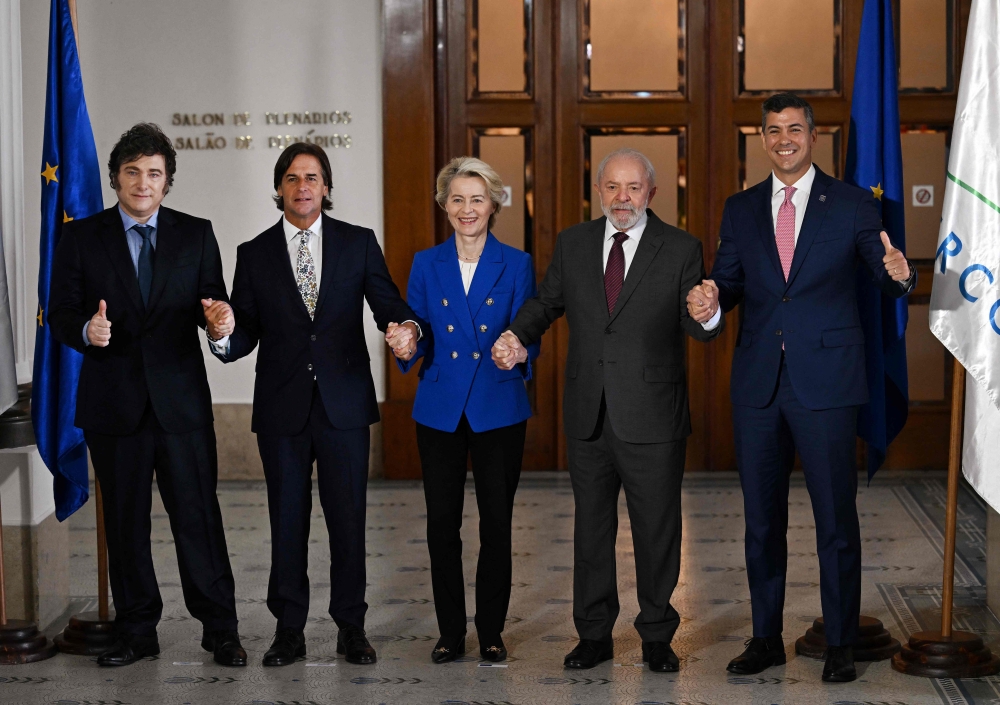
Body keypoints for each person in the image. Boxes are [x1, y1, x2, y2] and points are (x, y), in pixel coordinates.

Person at [690, 92, 915, 683]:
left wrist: (902, 275)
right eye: (772, 130)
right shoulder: (739, 209)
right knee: (761, 521)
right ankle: (766, 638)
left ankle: (839, 642)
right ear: (761, 139)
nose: (783, 139)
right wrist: (712, 303)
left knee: (835, 518)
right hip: (759, 385)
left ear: (814, 137)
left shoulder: (851, 204)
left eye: (794, 129)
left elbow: (883, 269)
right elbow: (729, 282)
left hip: (829, 384)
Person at [491, 148, 724, 672]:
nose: (623, 198)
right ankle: (593, 634)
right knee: (591, 529)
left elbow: (698, 322)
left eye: (634, 188)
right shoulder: (574, 244)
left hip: (654, 416)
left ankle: (658, 636)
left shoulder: (681, 247)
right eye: (613, 188)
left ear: (652, 193)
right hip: (588, 413)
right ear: (600, 191)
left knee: (657, 528)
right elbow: (546, 303)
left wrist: (707, 314)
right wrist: (516, 334)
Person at [208, 142, 420, 667]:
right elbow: (244, 332)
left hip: (344, 404)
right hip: (282, 410)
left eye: (313, 177)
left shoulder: (358, 243)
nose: (303, 186)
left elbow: (389, 306)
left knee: (348, 519)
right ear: (279, 187)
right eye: (293, 177)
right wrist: (222, 335)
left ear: (326, 188)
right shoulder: (253, 253)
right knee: (287, 520)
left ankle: (352, 627)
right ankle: (289, 631)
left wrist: (406, 330)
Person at [47, 123, 245, 667]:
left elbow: (216, 308)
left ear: (167, 182)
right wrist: (87, 331)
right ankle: (138, 631)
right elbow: (60, 313)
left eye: (154, 173)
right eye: (132, 171)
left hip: (180, 405)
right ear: (116, 178)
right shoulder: (81, 237)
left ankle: (220, 629)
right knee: (126, 525)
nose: (142, 182)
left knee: (198, 518)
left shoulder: (196, 234)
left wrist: (221, 322)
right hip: (115, 408)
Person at [394, 157, 539, 664]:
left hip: (497, 406)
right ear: (444, 205)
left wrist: (520, 350)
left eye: (477, 198)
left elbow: (529, 330)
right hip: (440, 408)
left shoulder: (517, 263)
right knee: (442, 525)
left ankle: (492, 630)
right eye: (457, 198)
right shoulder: (424, 262)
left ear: (494, 203)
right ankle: (450, 632)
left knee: (497, 524)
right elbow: (415, 329)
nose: (467, 208)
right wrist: (405, 338)